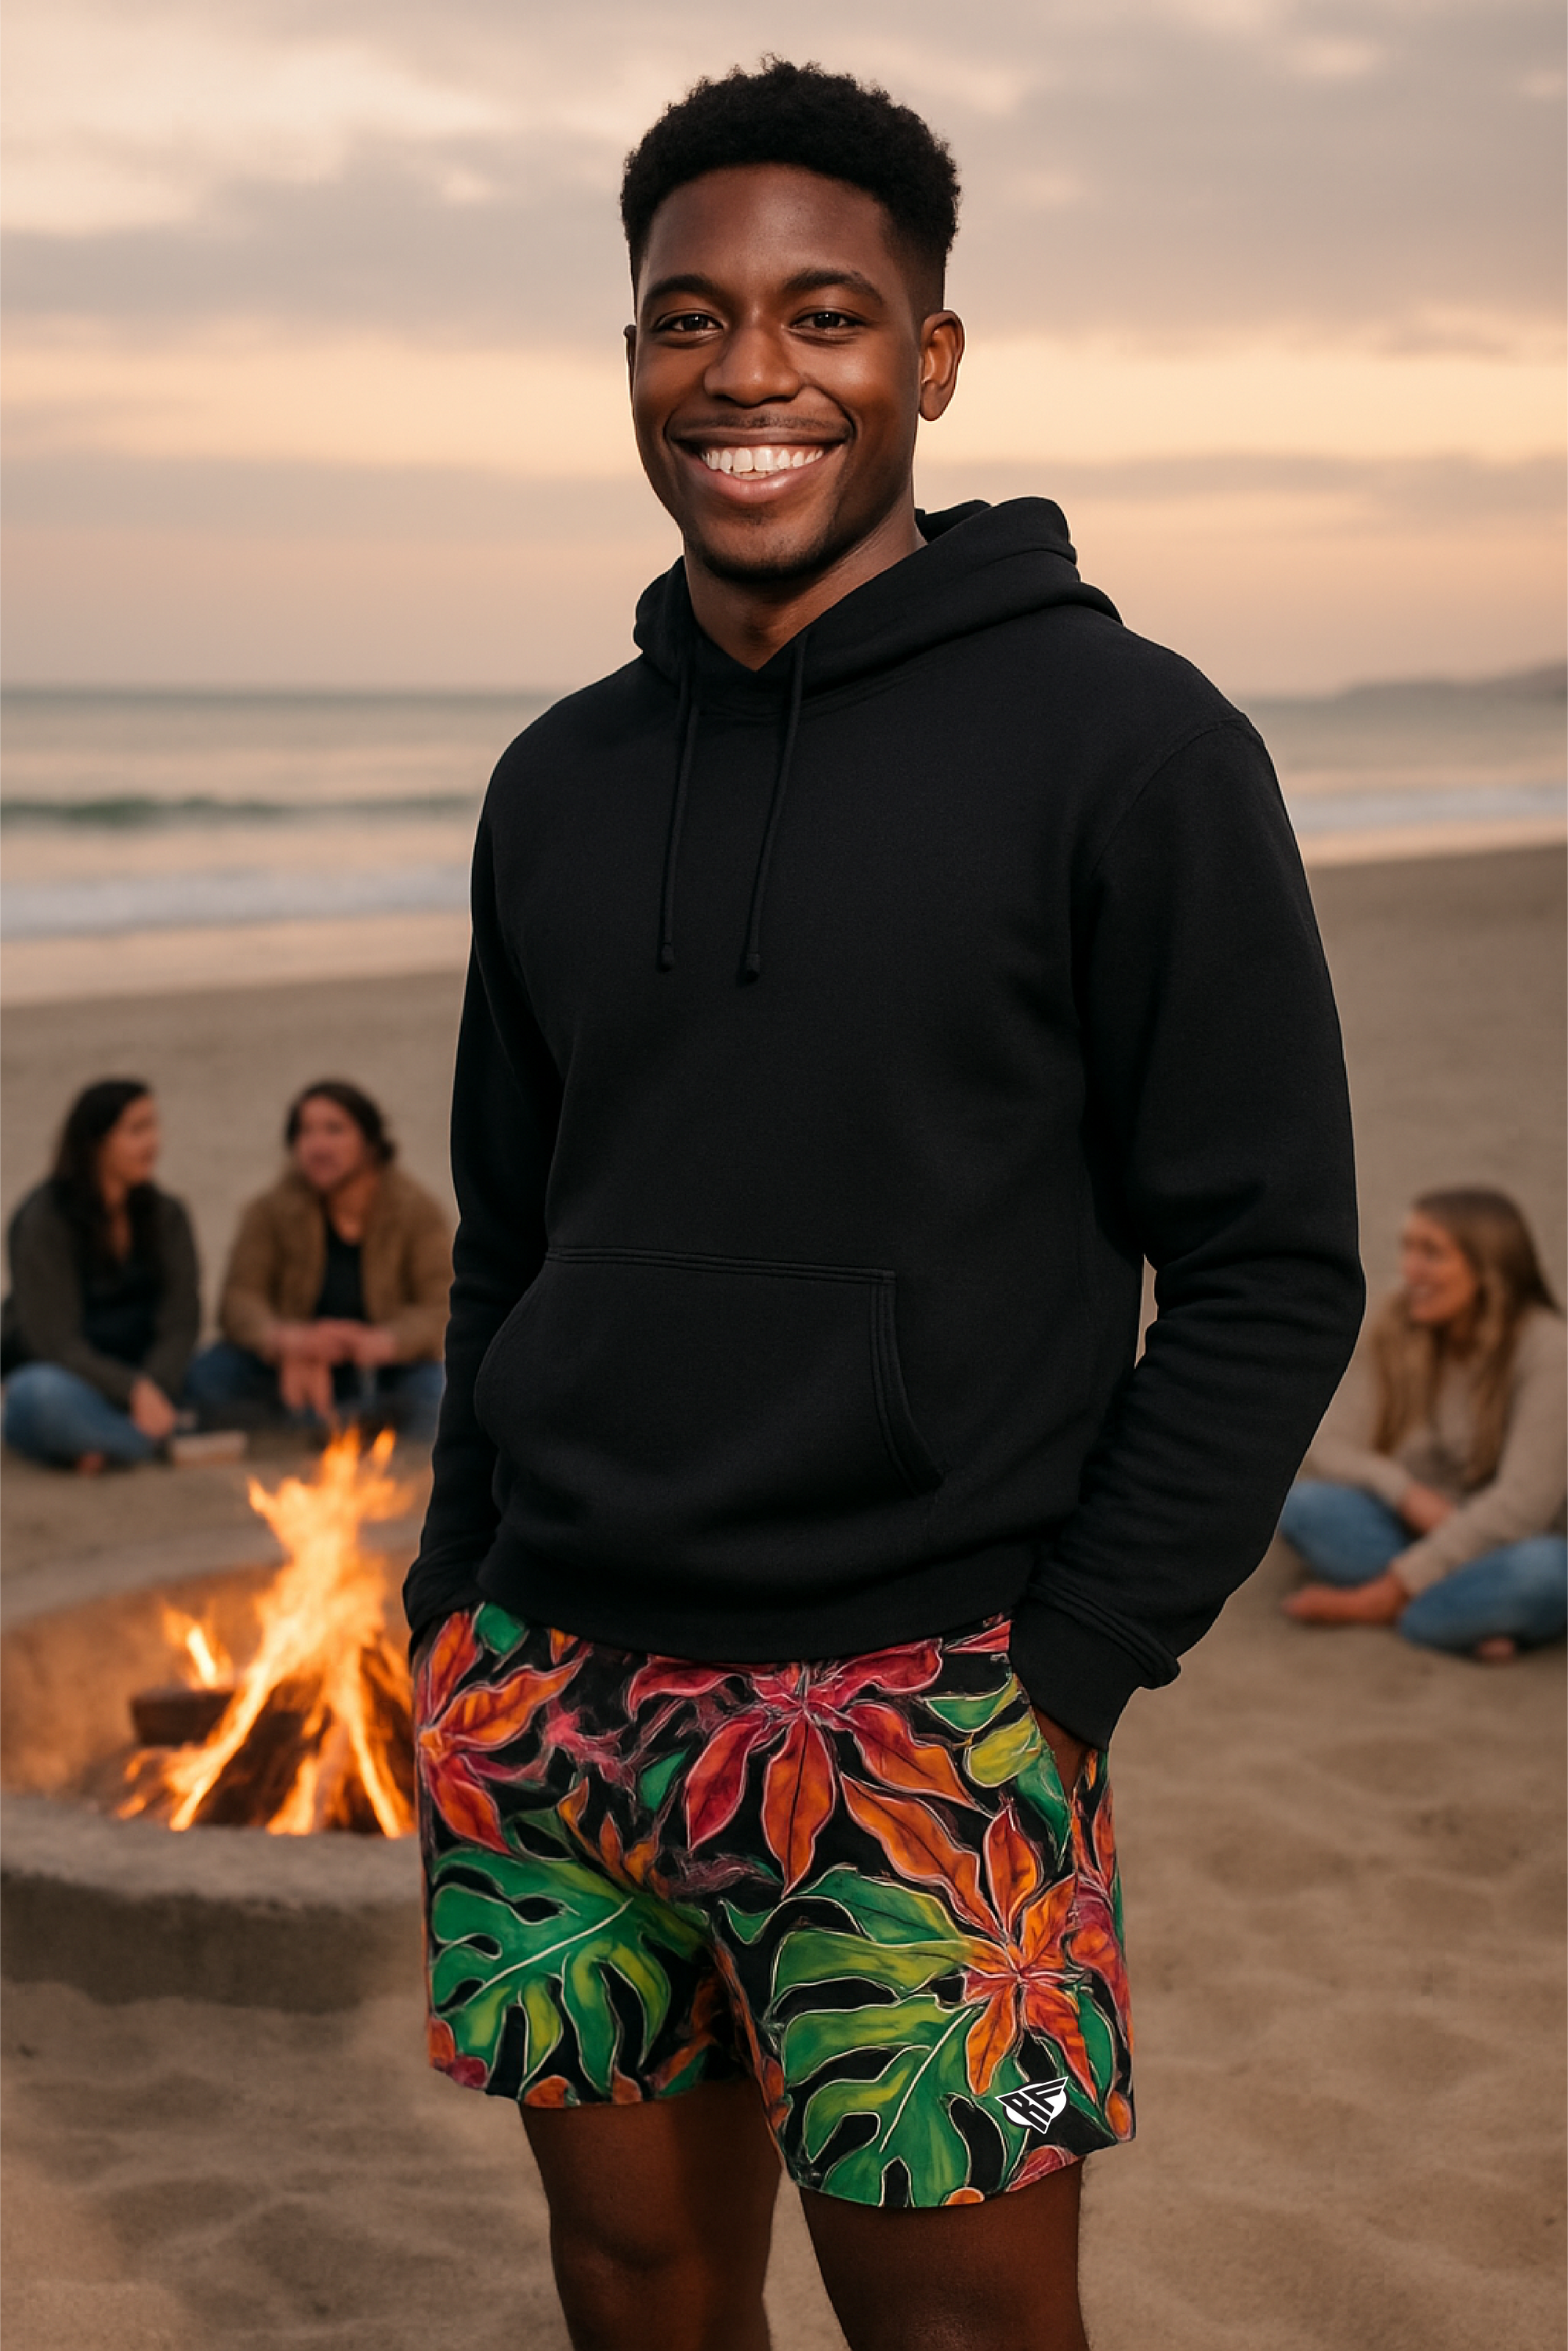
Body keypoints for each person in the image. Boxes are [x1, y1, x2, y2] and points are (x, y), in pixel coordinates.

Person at [402, 61, 1363, 2351]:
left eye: (822, 316)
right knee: (635, 2286)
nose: (749, 373)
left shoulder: (1130, 748)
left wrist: (1068, 1664)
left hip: (922, 1712)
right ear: (629, 360)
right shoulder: (554, 783)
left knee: (959, 2333)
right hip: (550, 1696)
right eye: (687, 319)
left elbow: (1266, 1263)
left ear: (928, 360)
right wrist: (451, 1597)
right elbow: (508, 1239)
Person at [1281, 1188, 1568, 1660]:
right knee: (1306, 1506)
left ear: (1488, 1268)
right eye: (1408, 1248)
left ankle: (1401, 1610)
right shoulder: (1398, 1322)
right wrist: (1406, 1494)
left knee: (1551, 1569)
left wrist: (1389, 1589)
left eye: (1431, 1253)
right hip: (1415, 1529)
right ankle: (1463, 1616)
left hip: (1507, 1542)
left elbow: (1523, 1507)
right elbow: (1329, 1445)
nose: (1410, 1270)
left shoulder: (1550, 1350)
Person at [187, 1080, 451, 1442]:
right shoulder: (270, 1210)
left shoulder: (415, 1211)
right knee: (208, 1374)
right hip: (293, 1367)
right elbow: (239, 1301)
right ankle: (301, 1436)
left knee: (439, 1388)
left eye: (334, 1130)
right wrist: (289, 1341)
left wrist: (381, 1341)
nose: (318, 1146)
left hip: (383, 1366)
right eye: (305, 1131)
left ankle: (382, 1449)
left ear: (370, 1142)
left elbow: (441, 1306)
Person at [1, 1078, 206, 1471]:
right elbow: (54, 1342)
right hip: (74, 1379)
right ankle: (154, 1442)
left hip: (149, 1376)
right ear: (96, 1142)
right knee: (38, 1395)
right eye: (137, 1131)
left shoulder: (167, 1215)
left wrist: (154, 1388)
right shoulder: (44, 1220)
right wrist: (132, 1391)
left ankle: (107, 1443)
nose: (153, 1143)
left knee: (219, 1372)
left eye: (154, 1126)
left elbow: (181, 1319)